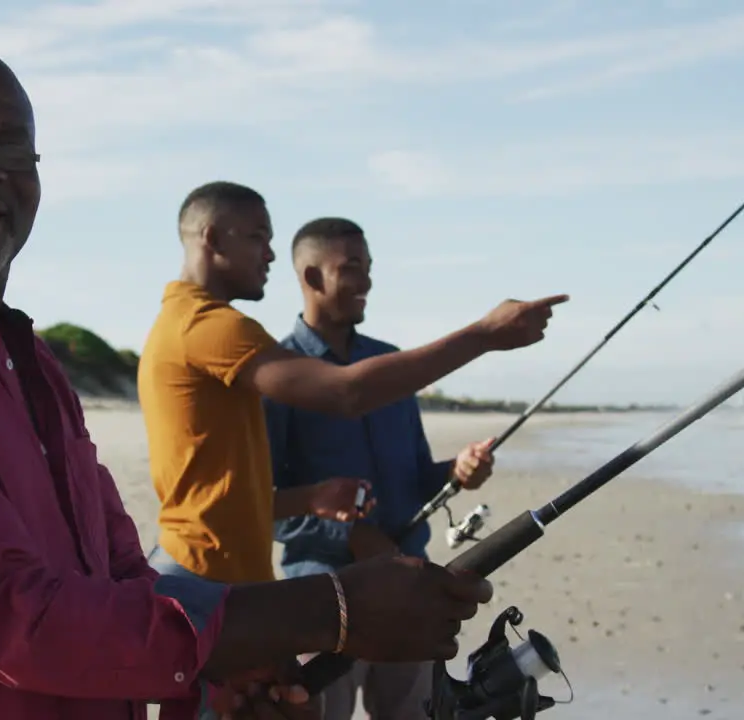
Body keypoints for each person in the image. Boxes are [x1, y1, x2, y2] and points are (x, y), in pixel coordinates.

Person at [0, 45, 497, 720]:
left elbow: (119, 580)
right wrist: (331, 610)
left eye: (13, 148)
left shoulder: (27, 360)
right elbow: (15, 621)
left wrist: (219, 676)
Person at [137, 181, 567, 592]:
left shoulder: (198, 327)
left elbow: (239, 494)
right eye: (257, 237)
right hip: (210, 580)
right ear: (211, 238)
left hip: (240, 582)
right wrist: (484, 335)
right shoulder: (207, 327)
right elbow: (347, 394)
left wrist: (315, 496)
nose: (269, 255)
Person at [266, 217, 506, 720]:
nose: (368, 281)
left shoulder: (391, 363)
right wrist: (349, 541)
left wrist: (457, 472)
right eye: (352, 267)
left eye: (369, 267)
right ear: (312, 277)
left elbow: (418, 474)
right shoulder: (278, 370)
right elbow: (260, 505)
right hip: (322, 597)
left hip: (411, 588)